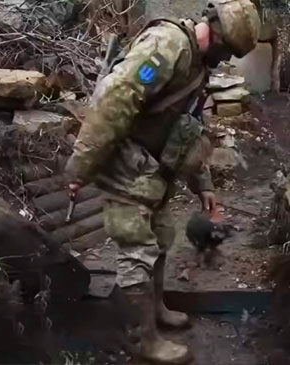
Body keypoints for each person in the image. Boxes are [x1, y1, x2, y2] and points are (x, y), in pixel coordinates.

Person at [64, 0, 260, 363]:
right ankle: (142, 340)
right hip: (126, 166)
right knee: (136, 249)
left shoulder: (197, 64)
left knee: (160, 237)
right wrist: (80, 168)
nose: (225, 59)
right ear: (216, 33)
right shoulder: (166, 47)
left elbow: (189, 129)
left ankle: (156, 310)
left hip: (152, 171)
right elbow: (114, 103)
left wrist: (205, 186)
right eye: (228, 50)